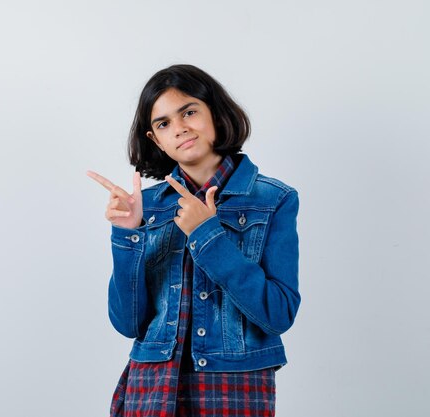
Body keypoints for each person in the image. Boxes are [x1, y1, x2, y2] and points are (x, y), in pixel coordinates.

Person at [87, 64, 300, 417]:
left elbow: (278, 314)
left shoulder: (273, 199)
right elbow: (128, 324)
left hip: (234, 390)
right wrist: (127, 234)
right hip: (151, 388)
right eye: (163, 123)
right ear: (154, 139)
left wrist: (208, 235)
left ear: (214, 111)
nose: (180, 128)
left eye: (189, 112)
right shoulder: (146, 207)